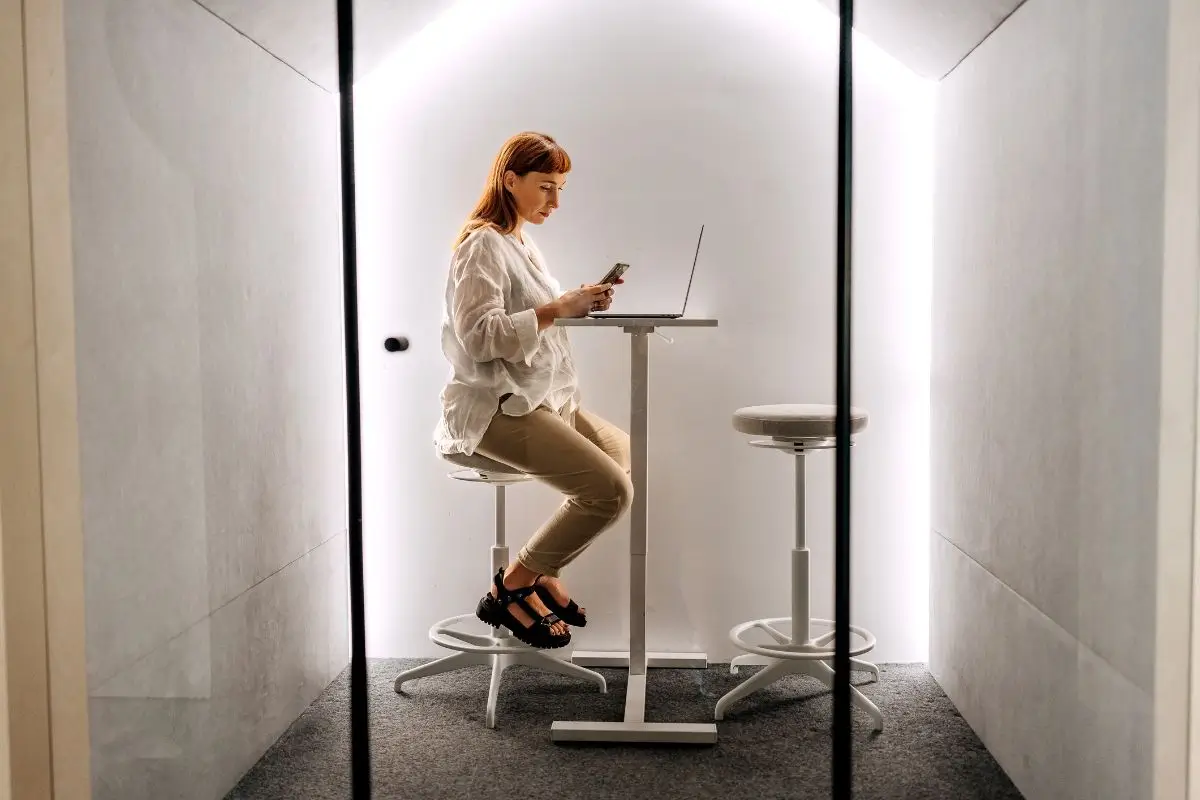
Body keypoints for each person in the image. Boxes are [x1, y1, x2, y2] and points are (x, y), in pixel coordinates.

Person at [434, 131, 633, 650]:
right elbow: (480, 337)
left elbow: (535, 317)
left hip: (539, 394)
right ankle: (513, 586)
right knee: (611, 492)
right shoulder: (482, 244)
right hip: (495, 407)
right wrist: (556, 309)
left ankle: (542, 572)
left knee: (621, 452)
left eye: (560, 188)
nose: (555, 201)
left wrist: (577, 302)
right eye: (546, 186)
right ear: (510, 179)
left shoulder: (521, 242)